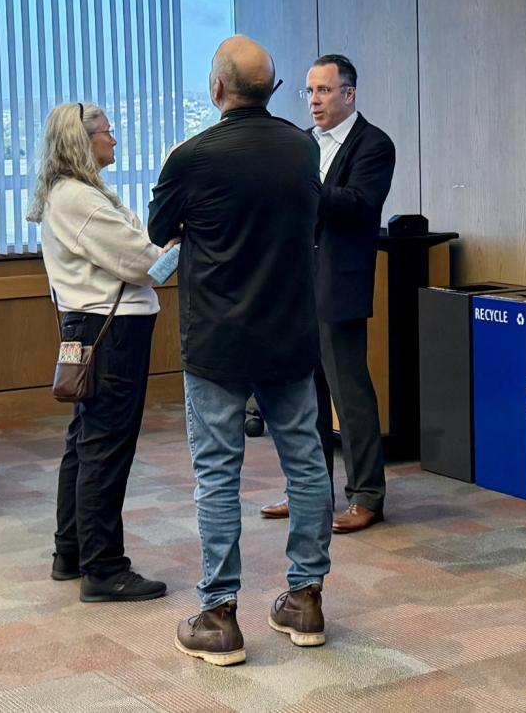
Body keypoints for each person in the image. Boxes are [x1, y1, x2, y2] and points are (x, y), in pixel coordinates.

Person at [148, 35, 331, 667]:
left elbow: (157, 230)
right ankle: (305, 599)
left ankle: (220, 614)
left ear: (217, 89)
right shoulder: (302, 148)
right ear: (274, 91)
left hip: (218, 342)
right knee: (306, 464)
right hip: (290, 335)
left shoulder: (191, 157)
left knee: (217, 473)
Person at [27, 102, 168, 604]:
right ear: (82, 141)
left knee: (85, 440)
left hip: (88, 328)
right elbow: (142, 263)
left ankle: (72, 552)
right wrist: (175, 248)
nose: (114, 139)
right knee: (107, 446)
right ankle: (104, 568)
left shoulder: (70, 195)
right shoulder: (80, 199)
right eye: (107, 132)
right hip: (112, 332)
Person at [260, 54, 395, 533]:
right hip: (295, 286)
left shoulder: (374, 145)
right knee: (304, 399)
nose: (313, 101)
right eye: (309, 92)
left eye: (323, 91)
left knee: (348, 392)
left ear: (349, 94)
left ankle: (367, 496)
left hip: (339, 285)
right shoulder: (301, 144)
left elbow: (359, 206)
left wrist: (305, 185)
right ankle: (308, 495)